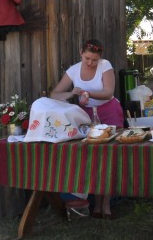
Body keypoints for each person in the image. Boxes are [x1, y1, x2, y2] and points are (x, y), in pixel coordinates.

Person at [50, 39, 124, 220]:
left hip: (109, 112)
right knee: (93, 158)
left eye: (94, 60)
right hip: (86, 116)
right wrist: (72, 93)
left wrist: (88, 94)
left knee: (109, 156)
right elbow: (55, 94)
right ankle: (94, 201)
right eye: (87, 59)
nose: (90, 63)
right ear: (80, 53)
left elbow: (108, 92)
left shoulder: (105, 65)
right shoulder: (74, 70)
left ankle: (105, 203)